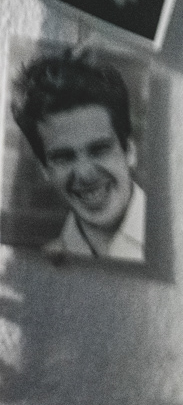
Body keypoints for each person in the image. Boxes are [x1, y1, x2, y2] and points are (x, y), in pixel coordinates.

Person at [10, 49, 147, 262]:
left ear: (129, 151)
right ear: (45, 170)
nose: (85, 174)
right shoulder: (46, 265)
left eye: (99, 149)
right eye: (63, 157)